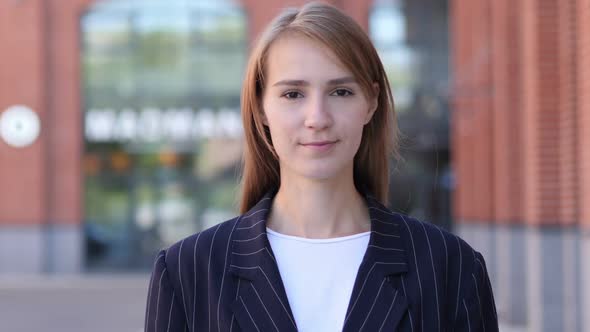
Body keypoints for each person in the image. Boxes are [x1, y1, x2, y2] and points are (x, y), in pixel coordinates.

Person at [144, 2, 498, 331]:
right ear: (261, 107)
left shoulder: (450, 268)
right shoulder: (187, 272)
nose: (317, 118)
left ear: (371, 102)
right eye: (293, 94)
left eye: (341, 92)